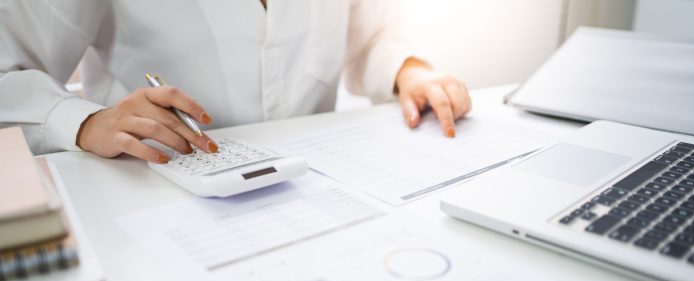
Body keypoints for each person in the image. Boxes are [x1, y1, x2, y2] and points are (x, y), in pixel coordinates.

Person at [0, 0, 471, 163]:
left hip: (318, 185)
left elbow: (372, 35)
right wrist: (85, 122)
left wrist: (409, 70)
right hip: (151, 184)